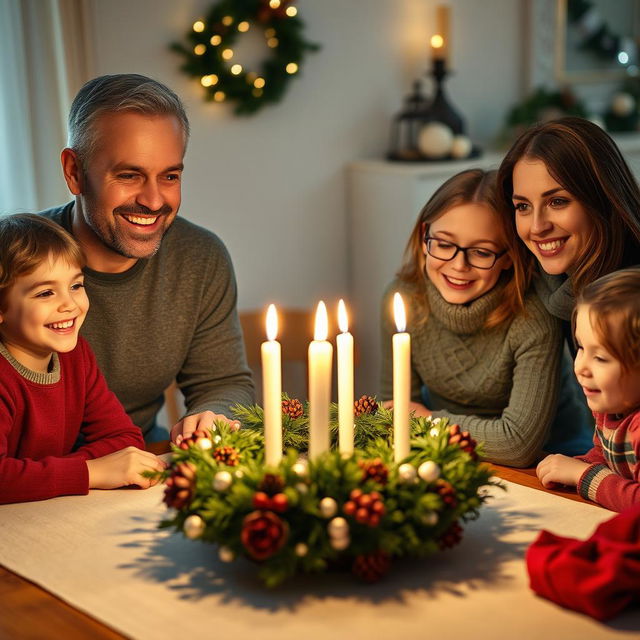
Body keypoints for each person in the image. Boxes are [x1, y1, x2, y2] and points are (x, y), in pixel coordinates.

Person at [40, 74, 255, 444]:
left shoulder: (200, 258)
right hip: (28, 474)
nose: (154, 201)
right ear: (74, 172)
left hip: (140, 456)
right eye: (129, 175)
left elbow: (223, 382)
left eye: (169, 176)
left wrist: (212, 417)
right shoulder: (11, 259)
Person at [380, 169, 563, 467]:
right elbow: (392, 408)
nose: (458, 265)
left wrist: (428, 420)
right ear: (424, 234)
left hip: (548, 466)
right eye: (444, 244)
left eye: (481, 251)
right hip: (446, 454)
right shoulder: (403, 299)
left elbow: (518, 444)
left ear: (508, 257)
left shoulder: (534, 318)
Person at [497, 116, 640, 455]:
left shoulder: (629, 297)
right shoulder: (554, 285)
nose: (537, 226)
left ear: (602, 198)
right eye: (522, 206)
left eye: (558, 201)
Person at [0, 214, 165, 504]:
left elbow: (124, 438)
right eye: (45, 292)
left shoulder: (77, 357)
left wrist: (65, 471)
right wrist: (89, 471)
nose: (70, 304)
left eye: (76, 285)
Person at [536, 268, 640, 512]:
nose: (581, 367)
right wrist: (578, 465)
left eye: (601, 358)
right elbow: (606, 455)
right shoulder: (612, 404)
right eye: (581, 347)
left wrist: (583, 474)